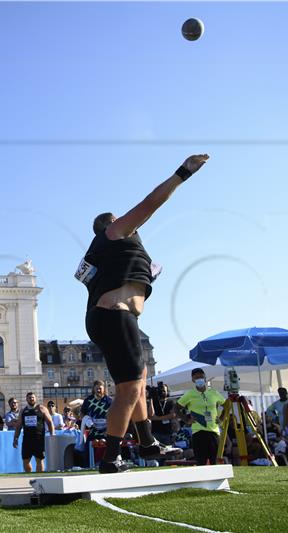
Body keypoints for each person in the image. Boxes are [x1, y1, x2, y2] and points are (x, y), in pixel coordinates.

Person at [78, 155, 208, 473]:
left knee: (139, 380)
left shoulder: (113, 251)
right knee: (129, 389)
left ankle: (148, 442)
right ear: (112, 224)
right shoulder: (113, 234)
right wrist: (183, 173)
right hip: (114, 315)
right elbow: (150, 203)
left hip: (113, 317)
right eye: (123, 219)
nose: (130, 221)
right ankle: (111, 458)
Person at [177, 368, 226, 466]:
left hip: (214, 431)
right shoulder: (190, 394)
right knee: (201, 462)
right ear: (193, 380)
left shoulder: (214, 393)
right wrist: (187, 420)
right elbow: (176, 408)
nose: (199, 379)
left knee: (215, 462)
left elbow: (226, 405)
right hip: (198, 431)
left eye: (201, 377)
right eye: (196, 378)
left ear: (205, 378)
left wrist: (221, 418)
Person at [13, 392, 54, 473]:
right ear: (26, 399)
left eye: (33, 397)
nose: (31, 399)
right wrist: (15, 438)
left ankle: (39, 478)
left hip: (39, 439)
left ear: (35, 399)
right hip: (27, 439)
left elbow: (50, 422)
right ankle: (29, 477)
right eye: (29, 398)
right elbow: (18, 426)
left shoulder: (42, 409)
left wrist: (52, 434)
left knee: (39, 459)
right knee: (25, 460)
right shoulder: (23, 411)